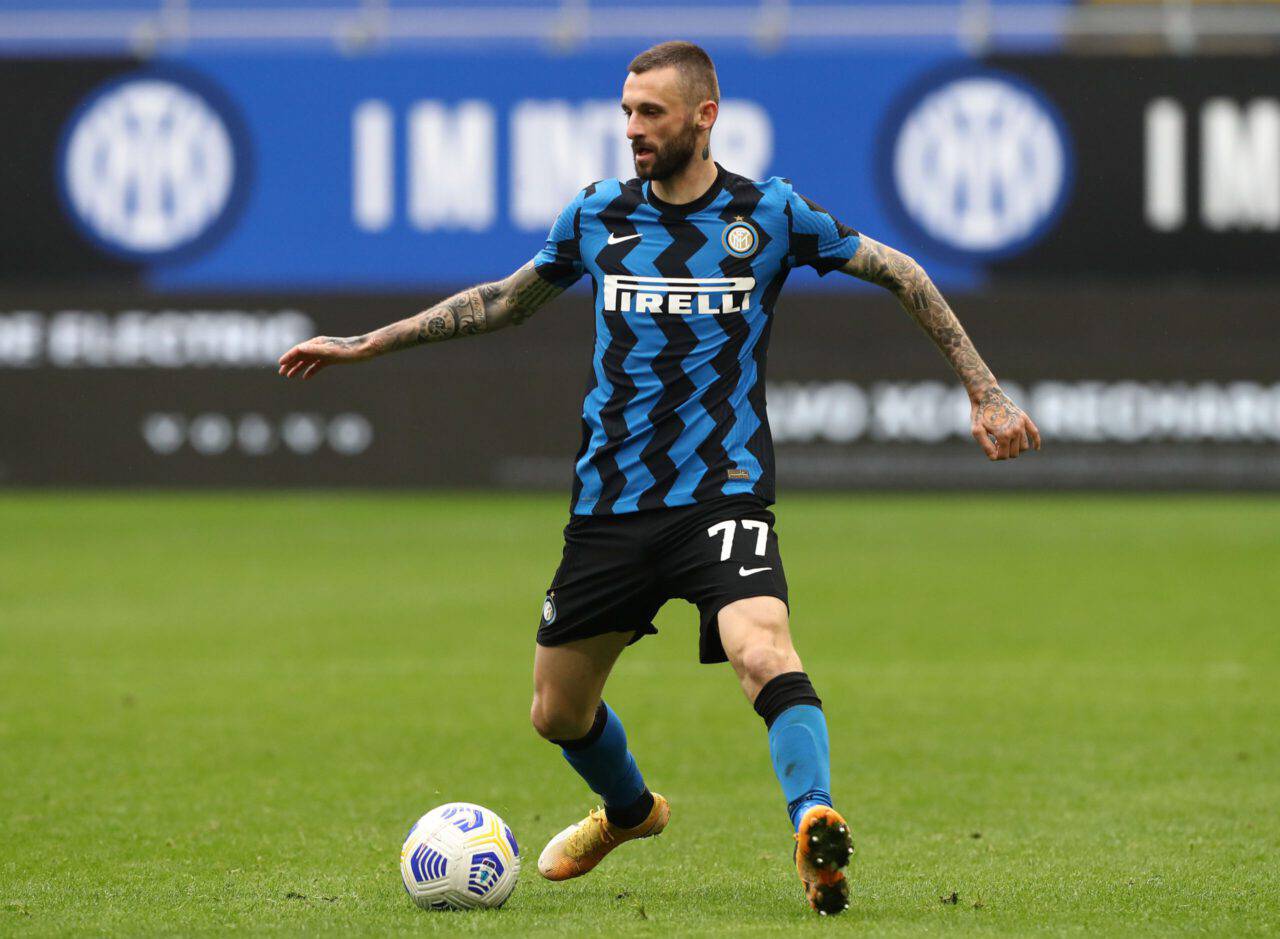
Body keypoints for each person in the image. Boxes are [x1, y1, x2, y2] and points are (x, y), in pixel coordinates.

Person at [278, 40, 1040, 915]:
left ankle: (814, 819)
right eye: (627, 112)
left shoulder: (771, 213)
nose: (633, 129)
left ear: (704, 117)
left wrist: (986, 392)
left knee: (763, 647)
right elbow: (503, 300)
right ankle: (631, 811)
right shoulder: (598, 213)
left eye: (651, 113)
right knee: (557, 713)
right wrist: (367, 343)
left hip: (721, 490)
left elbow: (900, 270)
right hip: (610, 505)